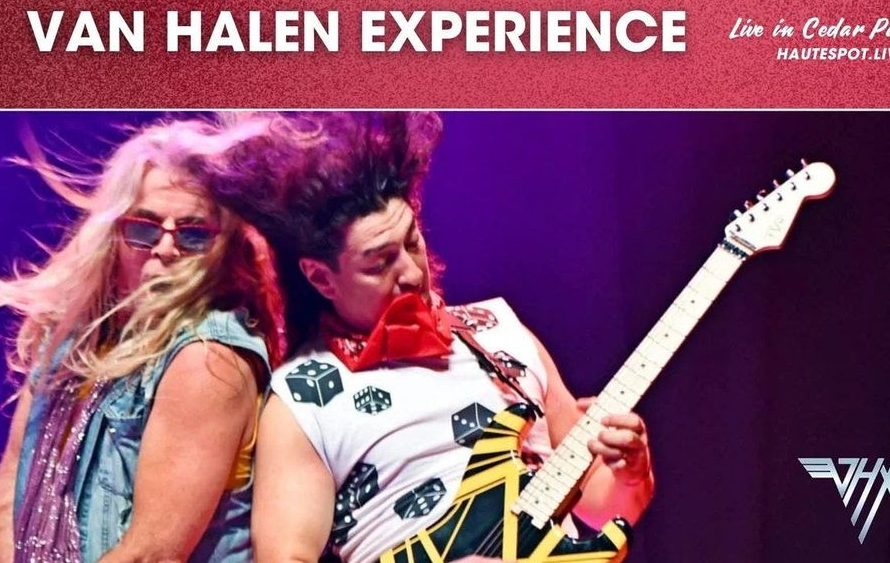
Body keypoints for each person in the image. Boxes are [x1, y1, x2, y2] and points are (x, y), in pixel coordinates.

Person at [191, 112, 655, 563]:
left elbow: (603, 508)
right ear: (321, 278)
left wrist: (631, 474)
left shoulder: (499, 328)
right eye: (379, 262)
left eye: (412, 242)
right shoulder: (302, 397)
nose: (412, 273)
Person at [0, 116, 283, 562]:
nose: (165, 249)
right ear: (113, 234)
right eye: (144, 228)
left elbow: (151, 554)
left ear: (225, 249)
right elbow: (10, 486)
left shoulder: (208, 361)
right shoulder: (68, 341)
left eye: (193, 234)